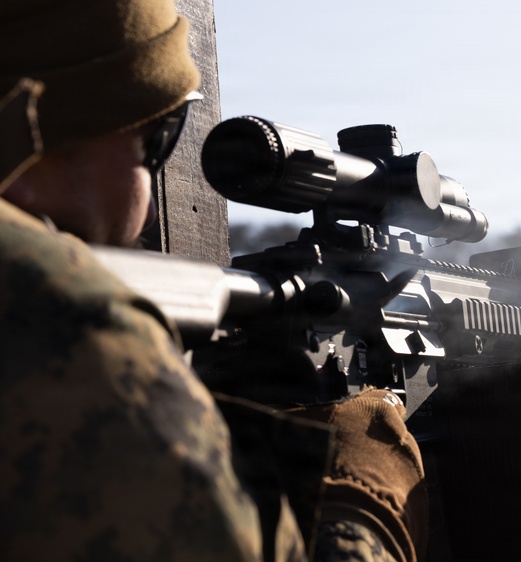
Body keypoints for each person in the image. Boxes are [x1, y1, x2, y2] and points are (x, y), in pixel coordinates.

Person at [0, 2, 427, 561]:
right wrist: (361, 490)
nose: (151, 210)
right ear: (41, 132)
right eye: (157, 140)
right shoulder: (62, 315)